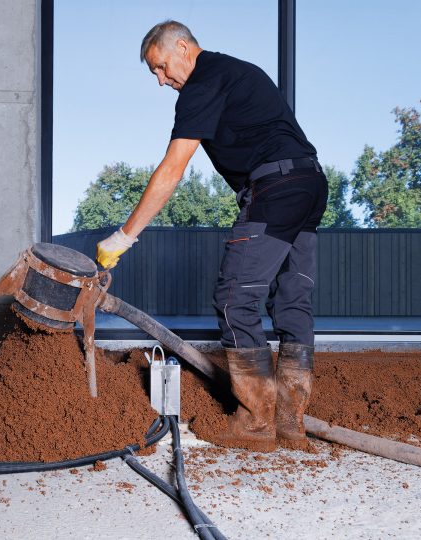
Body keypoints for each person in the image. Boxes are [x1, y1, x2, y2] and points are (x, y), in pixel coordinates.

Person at [96, 20, 328, 451]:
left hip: (277, 187)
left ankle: (257, 424)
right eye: (156, 75)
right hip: (310, 183)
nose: (163, 81)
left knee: (235, 299)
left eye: (163, 67)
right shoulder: (237, 71)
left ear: (183, 47)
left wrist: (123, 237)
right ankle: (290, 425)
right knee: (293, 301)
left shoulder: (203, 81)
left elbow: (172, 169)